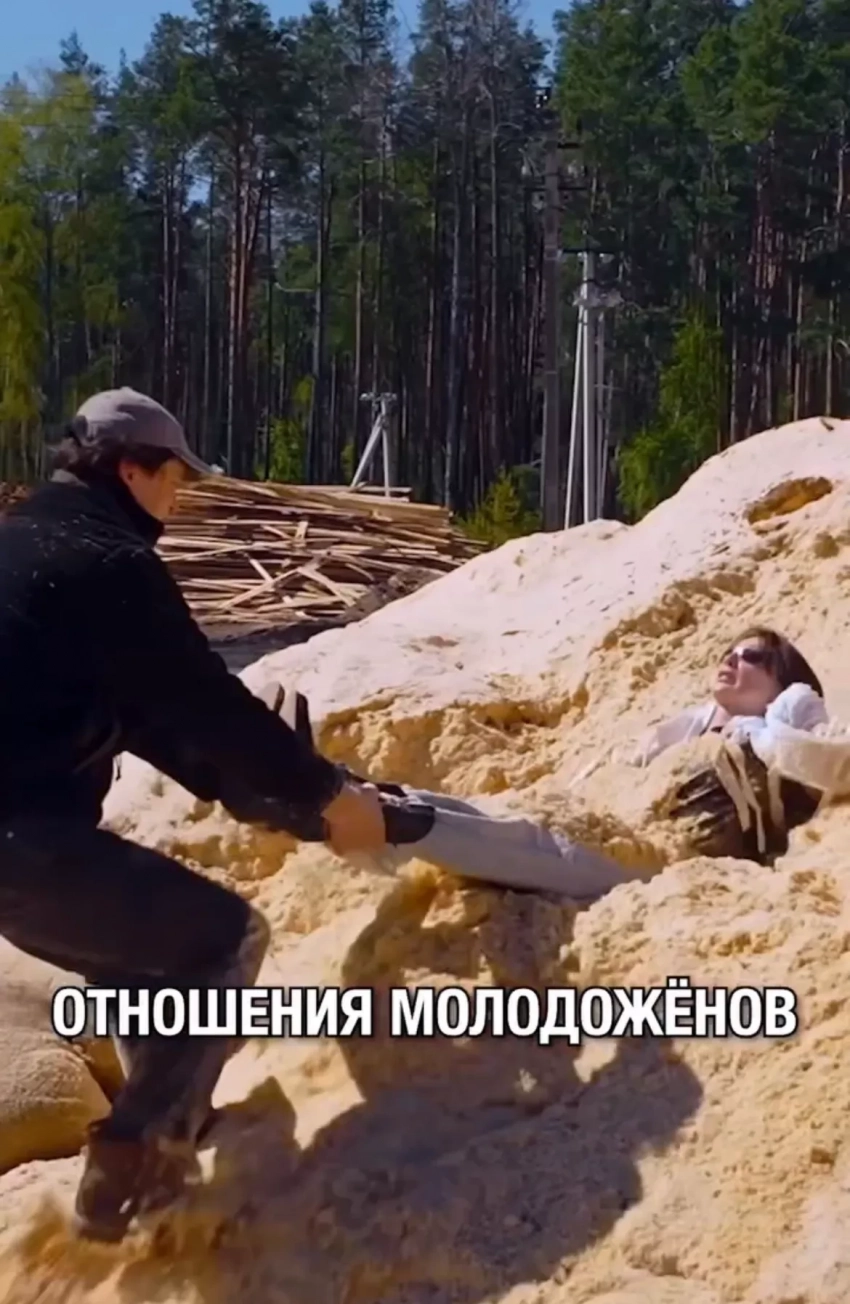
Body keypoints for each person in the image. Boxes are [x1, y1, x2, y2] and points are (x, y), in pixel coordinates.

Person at [0, 387, 400, 1244]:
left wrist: (265, 800)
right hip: (21, 837)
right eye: (174, 478)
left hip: (20, 835)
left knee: (139, 969)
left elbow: (148, 720)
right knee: (222, 941)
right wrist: (326, 794)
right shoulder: (108, 564)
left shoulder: (27, 544)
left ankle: (155, 1137)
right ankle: (133, 1177)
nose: (179, 500)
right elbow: (206, 705)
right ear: (132, 470)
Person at [272, 628, 832, 900]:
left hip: (656, 866)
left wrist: (782, 712)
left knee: (529, 843)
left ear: (783, 681)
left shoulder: (775, 732)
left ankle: (385, 818)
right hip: (608, 827)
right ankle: (338, 794)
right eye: (728, 651)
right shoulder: (683, 729)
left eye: (753, 657)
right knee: (499, 816)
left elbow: (819, 758)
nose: (732, 659)